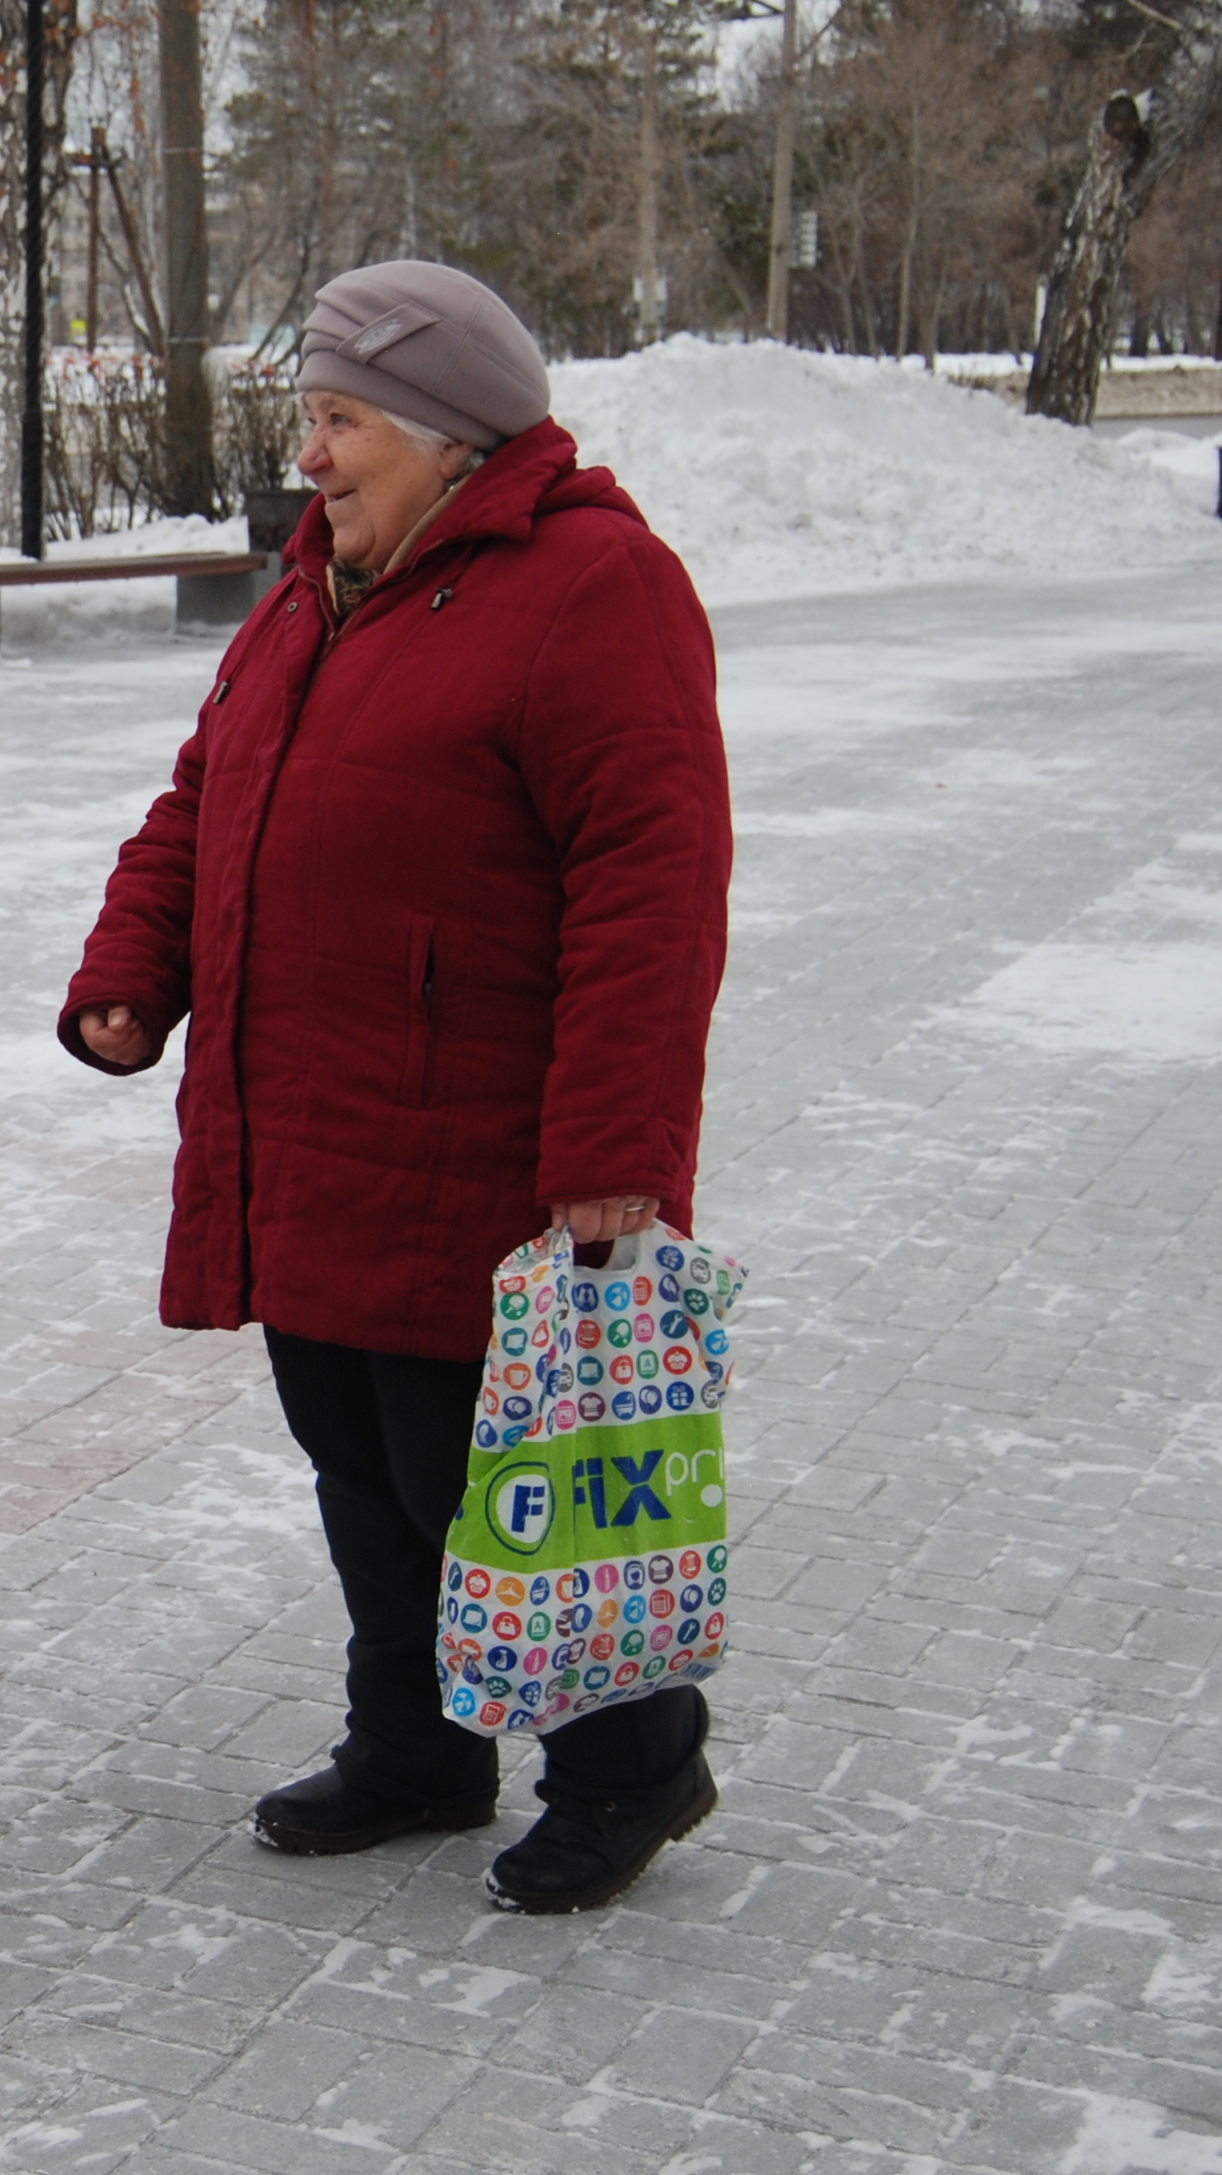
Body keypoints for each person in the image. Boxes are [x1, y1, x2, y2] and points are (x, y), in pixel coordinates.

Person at [58, 259, 732, 1915]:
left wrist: (613, 1150)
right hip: (311, 1127)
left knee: (501, 1476)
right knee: (360, 1468)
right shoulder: (318, 588)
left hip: (482, 1149)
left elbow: (658, 884)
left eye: (340, 421)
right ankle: (421, 1746)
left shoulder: (595, 589)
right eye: (314, 420)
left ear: (445, 435)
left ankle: (633, 1767)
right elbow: (206, 798)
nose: (315, 458)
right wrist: (132, 969)